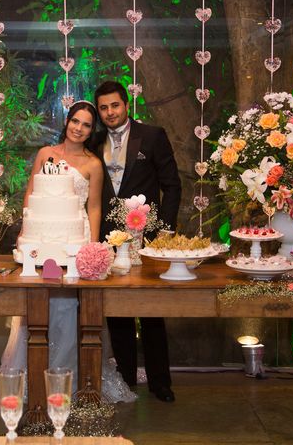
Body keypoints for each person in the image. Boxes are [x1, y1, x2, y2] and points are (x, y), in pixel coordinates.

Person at [2, 100, 137, 402]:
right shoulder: (45, 154)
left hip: (75, 239)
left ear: (92, 130)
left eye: (87, 124)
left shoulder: (92, 164)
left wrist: (90, 246)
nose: (79, 128)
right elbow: (31, 193)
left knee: (69, 309)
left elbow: (94, 207)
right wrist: (27, 229)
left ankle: (70, 381)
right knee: (36, 306)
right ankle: (30, 381)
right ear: (67, 121)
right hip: (41, 238)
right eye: (75, 121)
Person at [93, 81, 182, 402]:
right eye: (103, 108)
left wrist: (165, 231)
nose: (109, 113)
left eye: (114, 105)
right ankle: (126, 378)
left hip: (146, 238)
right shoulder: (95, 141)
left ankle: (161, 383)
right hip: (108, 238)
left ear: (125, 105)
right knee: (116, 312)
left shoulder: (153, 136)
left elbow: (172, 186)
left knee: (151, 310)